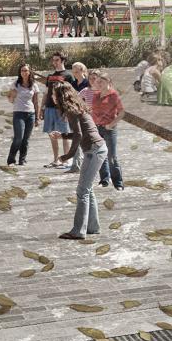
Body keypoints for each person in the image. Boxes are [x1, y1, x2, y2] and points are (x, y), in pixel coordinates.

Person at [54, 82, 106, 240]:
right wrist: (62, 135)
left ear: (61, 96)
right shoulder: (78, 108)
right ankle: (93, 227)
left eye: (54, 94)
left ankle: (78, 231)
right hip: (98, 149)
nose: (52, 97)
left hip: (94, 151)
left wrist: (67, 156)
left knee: (82, 191)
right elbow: (80, 132)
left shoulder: (71, 111)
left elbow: (78, 135)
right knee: (88, 190)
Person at [91, 73, 125, 190]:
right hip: (97, 128)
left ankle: (118, 183)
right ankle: (104, 179)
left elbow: (121, 113)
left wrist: (111, 124)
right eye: (98, 82)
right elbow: (91, 111)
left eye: (102, 82)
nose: (99, 84)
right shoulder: (95, 95)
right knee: (100, 154)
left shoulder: (114, 95)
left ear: (108, 82)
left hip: (109, 129)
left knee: (112, 156)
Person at [5, 62, 39, 165]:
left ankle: (22, 159)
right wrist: (12, 96)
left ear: (29, 72)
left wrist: (37, 117)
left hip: (31, 114)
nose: (24, 72)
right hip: (18, 113)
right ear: (20, 72)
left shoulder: (34, 85)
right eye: (22, 71)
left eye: (26, 70)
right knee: (18, 138)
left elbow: (36, 102)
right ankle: (11, 159)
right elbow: (10, 100)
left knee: (26, 139)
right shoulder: (15, 84)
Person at [41, 53, 70, 168]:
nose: (55, 62)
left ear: (63, 60)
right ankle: (56, 159)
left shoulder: (68, 75)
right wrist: (42, 108)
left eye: (57, 60)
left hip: (62, 109)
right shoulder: (50, 76)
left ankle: (66, 160)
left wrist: (68, 110)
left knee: (65, 134)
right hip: (49, 108)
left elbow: (71, 94)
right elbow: (46, 93)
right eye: (53, 60)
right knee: (52, 134)